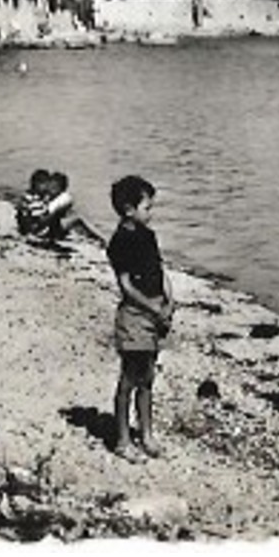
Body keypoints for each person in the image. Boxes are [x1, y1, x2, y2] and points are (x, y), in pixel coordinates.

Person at [105, 174, 174, 462]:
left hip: (155, 309)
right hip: (135, 315)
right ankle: (122, 439)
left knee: (147, 377)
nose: (151, 212)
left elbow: (160, 270)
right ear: (128, 209)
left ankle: (146, 433)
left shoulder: (148, 236)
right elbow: (126, 286)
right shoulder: (120, 242)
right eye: (147, 207)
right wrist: (153, 308)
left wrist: (169, 299)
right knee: (130, 378)